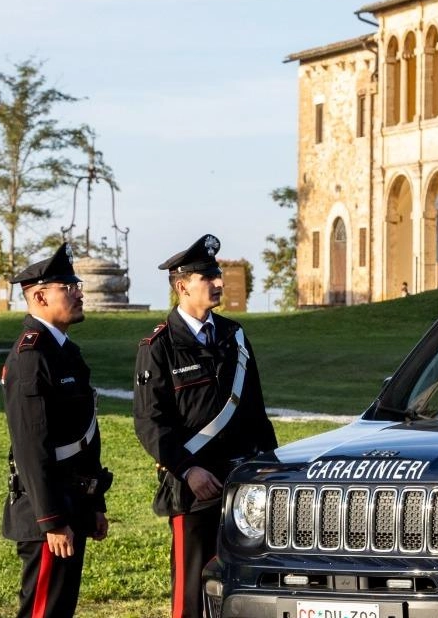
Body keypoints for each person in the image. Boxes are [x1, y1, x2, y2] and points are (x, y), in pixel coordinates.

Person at [133, 234, 278, 618]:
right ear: (182, 287)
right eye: (207, 277)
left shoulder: (234, 336)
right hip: (194, 489)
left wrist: (270, 466)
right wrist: (187, 469)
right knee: (192, 589)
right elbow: (150, 422)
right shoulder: (159, 347)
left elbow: (255, 412)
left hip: (242, 484)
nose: (218, 282)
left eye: (217, 274)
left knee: (241, 583)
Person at [1, 243, 112, 618]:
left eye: (77, 284)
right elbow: (31, 446)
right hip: (47, 514)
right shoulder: (31, 357)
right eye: (69, 287)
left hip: (73, 504)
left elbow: (83, 435)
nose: (79, 293)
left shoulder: (64, 351)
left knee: (58, 609)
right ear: (40, 296)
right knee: (43, 611)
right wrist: (53, 520)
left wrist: (94, 503)